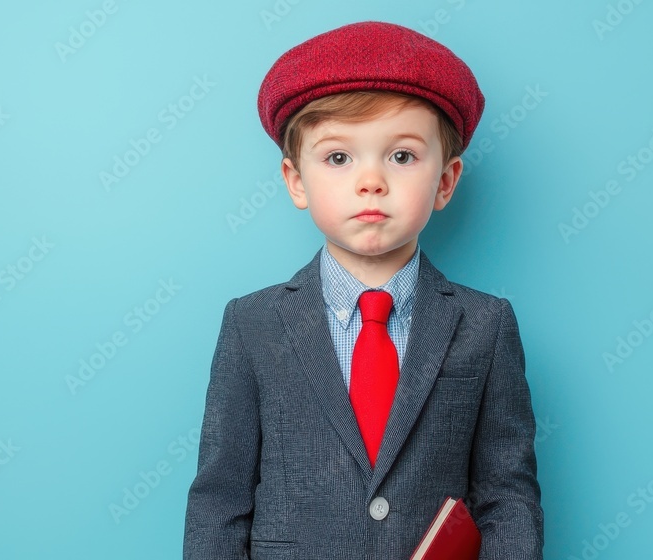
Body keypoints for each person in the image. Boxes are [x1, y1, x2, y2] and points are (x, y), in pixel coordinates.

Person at [183, 21, 544, 559]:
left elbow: (507, 498)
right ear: (296, 180)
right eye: (338, 157)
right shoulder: (251, 324)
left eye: (402, 156)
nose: (370, 180)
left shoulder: (486, 325)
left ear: (445, 181)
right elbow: (219, 501)